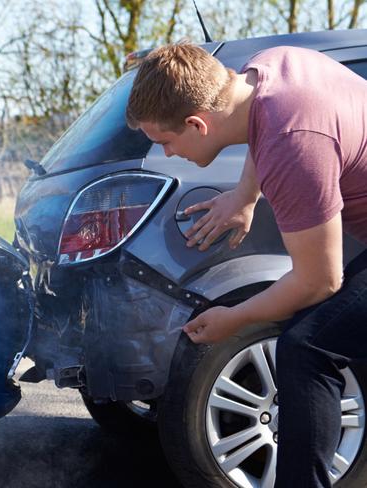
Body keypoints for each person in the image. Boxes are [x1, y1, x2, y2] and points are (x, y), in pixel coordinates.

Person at [126, 42, 367, 487]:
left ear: (197, 123)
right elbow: (266, 124)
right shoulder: (270, 67)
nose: (167, 154)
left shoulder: (294, 144)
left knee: (309, 348)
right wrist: (244, 194)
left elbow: (320, 281)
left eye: (165, 142)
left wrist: (234, 319)